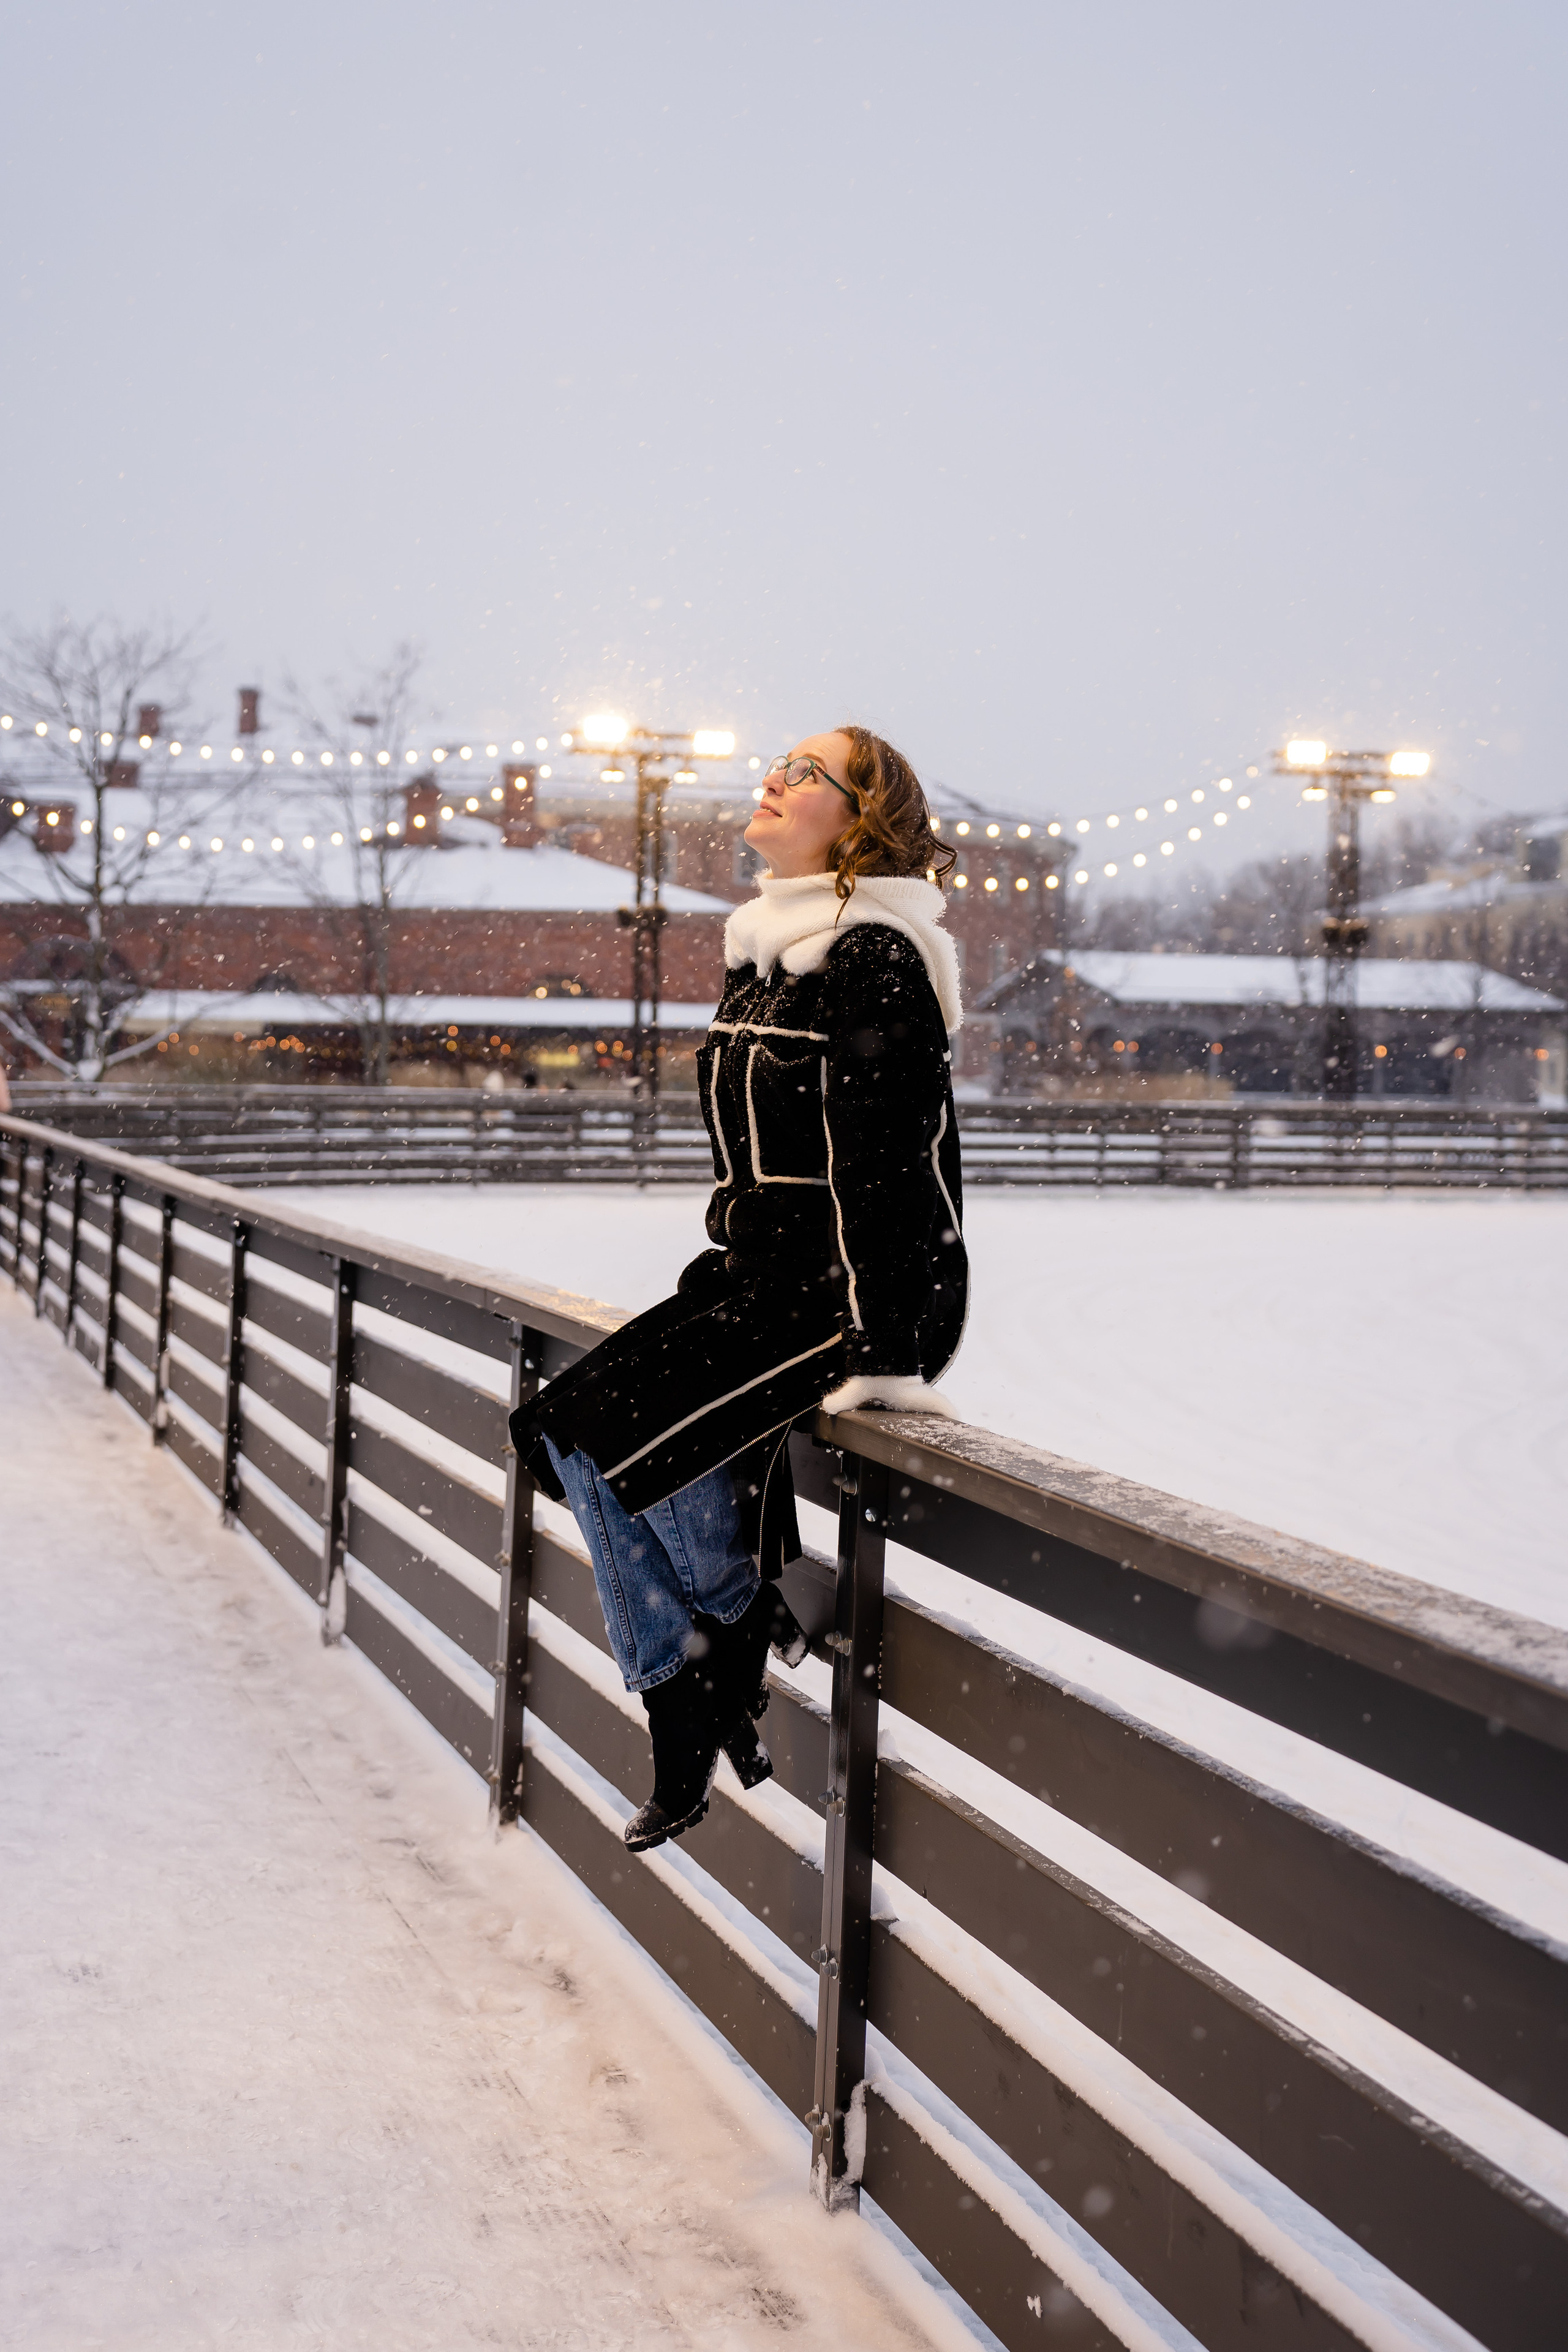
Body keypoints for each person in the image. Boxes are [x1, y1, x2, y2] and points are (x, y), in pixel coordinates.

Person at [513, 726, 967, 1850]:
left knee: (622, 1438)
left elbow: (892, 1169)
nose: (777, 777)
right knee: (555, 1432)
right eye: (784, 761)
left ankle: (687, 1690)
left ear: (857, 822)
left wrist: (886, 1343)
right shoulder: (767, 951)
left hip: (846, 1295)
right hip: (752, 1275)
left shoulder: (876, 959)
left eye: (809, 773)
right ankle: (733, 1622)